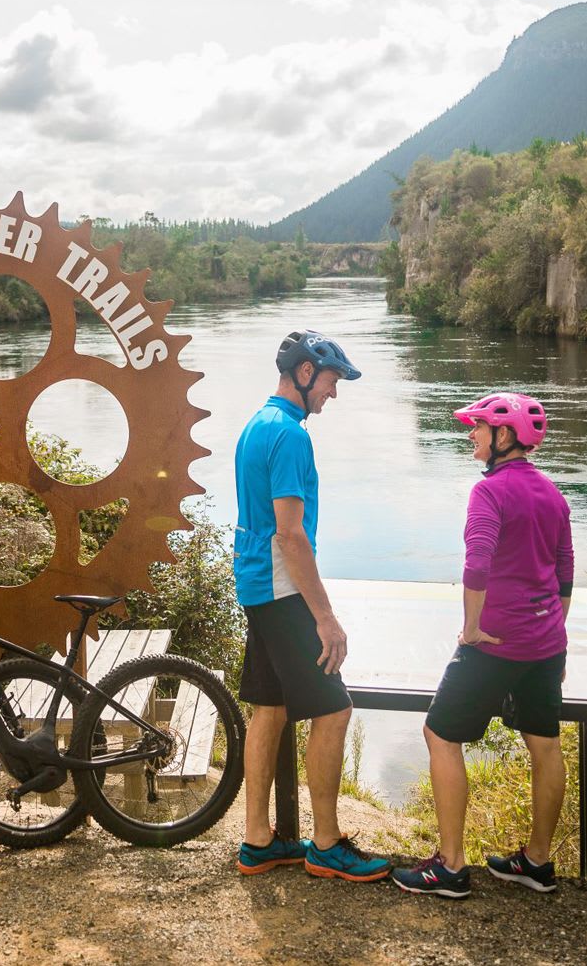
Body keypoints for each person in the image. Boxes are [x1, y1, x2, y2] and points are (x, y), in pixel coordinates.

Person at [392, 391, 573, 899]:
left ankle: (450, 867)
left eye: (478, 427)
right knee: (545, 745)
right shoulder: (554, 495)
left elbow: (478, 563)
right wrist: (555, 638)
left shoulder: (488, 493)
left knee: (440, 734)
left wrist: (471, 627)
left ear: (505, 436)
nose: (471, 434)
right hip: (543, 644)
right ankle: (536, 862)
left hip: (493, 644)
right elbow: (564, 575)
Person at [232, 329, 390, 883]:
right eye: (330, 380)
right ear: (304, 373)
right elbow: (291, 535)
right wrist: (325, 617)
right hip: (282, 590)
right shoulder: (291, 436)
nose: (333, 393)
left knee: (270, 709)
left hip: (256, 585)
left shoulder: (257, 424)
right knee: (334, 708)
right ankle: (326, 844)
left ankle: (257, 840)